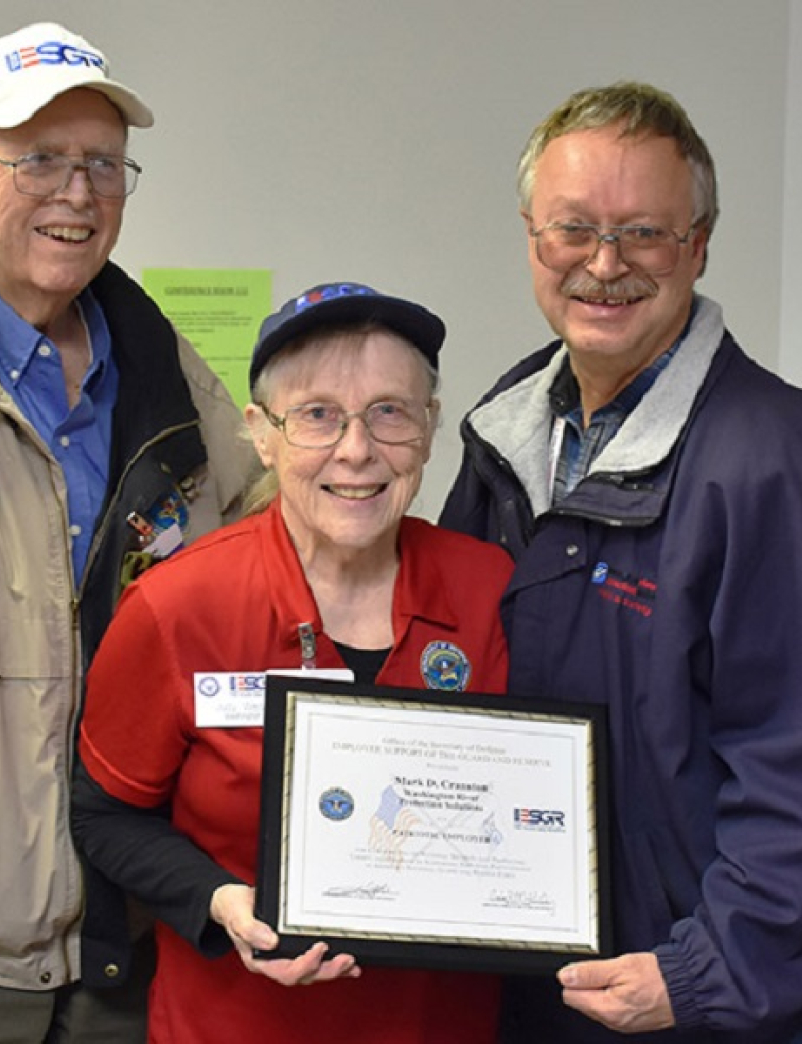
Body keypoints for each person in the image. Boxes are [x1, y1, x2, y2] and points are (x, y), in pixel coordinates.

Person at [440, 82, 802, 1043]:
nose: (604, 266)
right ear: (530, 238)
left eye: (643, 232)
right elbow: (453, 674)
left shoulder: (769, 456)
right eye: (573, 230)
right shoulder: (508, 420)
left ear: (699, 244)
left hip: (706, 1001)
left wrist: (704, 973)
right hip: (548, 979)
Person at [0, 21, 258, 1044]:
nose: (77, 193)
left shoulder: (167, 369)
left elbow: (286, 556)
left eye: (102, 164)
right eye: (38, 159)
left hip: (141, 942)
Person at [71, 281, 515, 1043]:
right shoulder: (176, 605)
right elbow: (104, 813)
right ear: (261, 434)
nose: (356, 449)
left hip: (440, 1024)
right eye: (317, 415)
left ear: (431, 428)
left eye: (390, 411)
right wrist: (216, 899)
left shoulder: (491, 589)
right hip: (237, 1023)